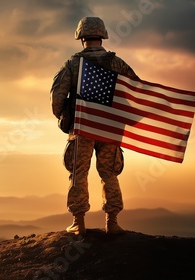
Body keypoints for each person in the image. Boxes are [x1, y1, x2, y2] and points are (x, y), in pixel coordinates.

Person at [50, 17, 139, 235]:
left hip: (82, 127)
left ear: (81, 38)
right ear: (102, 36)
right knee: (109, 173)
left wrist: (62, 117)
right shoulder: (116, 63)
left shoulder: (72, 64)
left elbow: (57, 97)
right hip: (109, 127)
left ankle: (79, 223)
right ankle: (112, 222)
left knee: (78, 172)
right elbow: (135, 88)